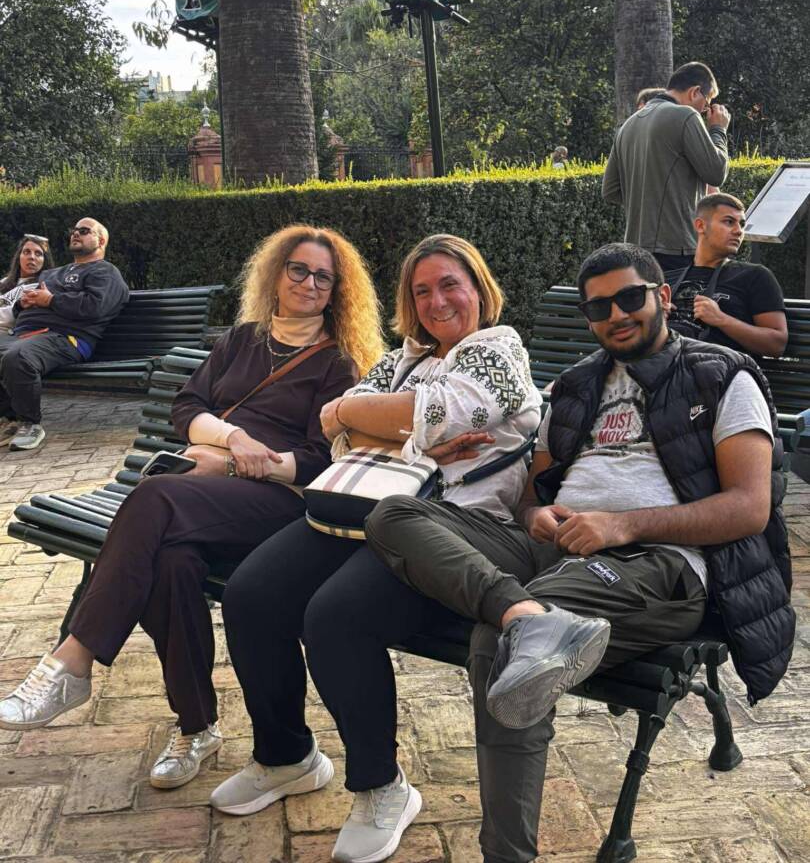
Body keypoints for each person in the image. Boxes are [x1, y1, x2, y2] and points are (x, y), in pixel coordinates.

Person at [364, 242, 794, 863]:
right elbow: (532, 493)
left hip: (658, 565)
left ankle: (507, 854)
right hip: (558, 551)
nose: (616, 315)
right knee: (394, 514)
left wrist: (621, 526)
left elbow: (750, 508)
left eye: (629, 298)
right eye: (598, 307)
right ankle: (524, 614)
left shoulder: (721, 374)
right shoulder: (574, 386)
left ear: (662, 297)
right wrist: (534, 515)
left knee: (498, 646)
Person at [0, 225, 383, 793]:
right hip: (204, 497)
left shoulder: (337, 363)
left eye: (323, 278)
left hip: (276, 503)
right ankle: (196, 727)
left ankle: (74, 658)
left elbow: (315, 460)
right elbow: (188, 406)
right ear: (277, 273)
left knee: (154, 496)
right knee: (170, 564)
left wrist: (236, 463)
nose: (309, 284)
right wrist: (232, 439)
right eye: (299, 269)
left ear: (337, 292)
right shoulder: (242, 339)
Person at [212, 234, 542, 863]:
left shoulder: (500, 351)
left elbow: (440, 414)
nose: (437, 302)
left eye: (450, 285)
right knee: (251, 595)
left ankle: (381, 785)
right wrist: (401, 428)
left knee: (334, 616)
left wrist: (379, 419)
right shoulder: (404, 358)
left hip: (447, 531)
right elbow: (333, 424)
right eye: (422, 291)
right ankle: (285, 757)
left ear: (479, 288)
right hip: (361, 508)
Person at [0, 218, 129, 451]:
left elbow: (95, 307)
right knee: (15, 352)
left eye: (84, 230)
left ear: (101, 240)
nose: (75, 234)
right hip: (26, 334)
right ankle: (9, 419)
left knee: (18, 357)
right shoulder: (51, 274)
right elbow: (27, 304)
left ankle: (30, 424)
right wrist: (23, 304)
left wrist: (51, 300)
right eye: (74, 230)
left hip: (66, 338)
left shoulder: (105, 272)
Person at [603, 62, 732, 272]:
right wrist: (718, 129)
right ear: (695, 92)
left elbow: (610, 191)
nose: (705, 111)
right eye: (707, 103)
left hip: (636, 249)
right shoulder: (685, 115)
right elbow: (716, 173)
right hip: (677, 247)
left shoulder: (628, 125)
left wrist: (649, 201)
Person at [666, 193, 787, 358]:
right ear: (701, 226)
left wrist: (721, 319)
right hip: (666, 365)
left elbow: (777, 345)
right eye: (729, 222)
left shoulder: (755, 276)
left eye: (742, 224)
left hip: (723, 368)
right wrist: (654, 317)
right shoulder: (669, 278)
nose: (739, 231)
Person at [0, 235, 54, 334]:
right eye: (27, 252)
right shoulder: (3, 282)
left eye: (38, 254)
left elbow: (13, 319)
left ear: (45, 261)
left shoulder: (41, 288)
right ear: (19, 257)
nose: (32, 257)